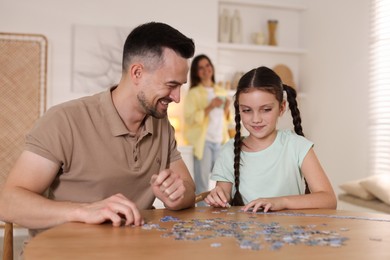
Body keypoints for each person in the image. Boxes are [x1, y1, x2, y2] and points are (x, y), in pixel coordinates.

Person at [0, 22, 196, 233]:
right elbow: (8, 203)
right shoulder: (64, 120)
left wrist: (177, 195)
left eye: (180, 86)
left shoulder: (162, 125)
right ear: (137, 73)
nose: (176, 97)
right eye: (171, 85)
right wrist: (82, 211)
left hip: (135, 250)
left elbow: (188, 189)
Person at [204, 66, 337, 212]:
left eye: (266, 109)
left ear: (282, 107)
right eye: (247, 110)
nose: (256, 119)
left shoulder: (297, 146)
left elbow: (328, 199)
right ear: (239, 110)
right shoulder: (229, 150)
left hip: (291, 233)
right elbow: (223, 194)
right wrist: (218, 197)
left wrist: (281, 202)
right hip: (244, 234)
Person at [183, 54, 231, 203]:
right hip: (204, 144)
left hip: (221, 142)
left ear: (212, 68)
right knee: (203, 185)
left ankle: (220, 215)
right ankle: (202, 220)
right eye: (201, 68)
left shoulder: (221, 91)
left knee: (224, 185)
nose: (205, 70)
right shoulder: (194, 93)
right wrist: (210, 106)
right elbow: (190, 119)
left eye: (208, 65)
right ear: (197, 72)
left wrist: (227, 109)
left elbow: (226, 119)